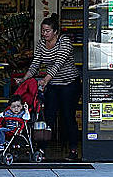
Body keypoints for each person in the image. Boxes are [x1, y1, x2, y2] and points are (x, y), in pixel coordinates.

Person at [20, 13, 81, 160]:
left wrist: (46, 79)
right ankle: (42, 150)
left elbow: (58, 63)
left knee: (68, 116)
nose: (44, 33)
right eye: (43, 30)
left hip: (69, 84)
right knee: (48, 117)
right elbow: (36, 63)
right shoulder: (41, 44)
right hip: (53, 85)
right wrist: (25, 78)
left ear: (55, 32)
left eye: (47, 31)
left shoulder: (64, 41)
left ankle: (73, 149)